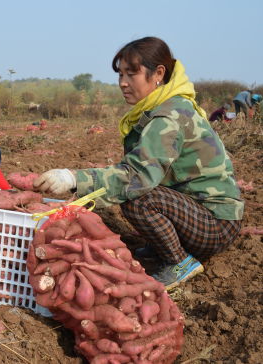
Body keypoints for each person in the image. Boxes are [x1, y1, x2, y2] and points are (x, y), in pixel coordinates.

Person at [34, 37, 244, 290]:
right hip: (199, 213)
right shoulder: (160, 108)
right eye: (120, 74)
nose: (123, 83)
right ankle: (164, 247)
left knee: (137, 197)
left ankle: (179, 262)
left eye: (131, 74)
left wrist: (74, 179)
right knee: (134, 192)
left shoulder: (169, 115)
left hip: (215, 224)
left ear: (158, 73)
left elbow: (137, 176)